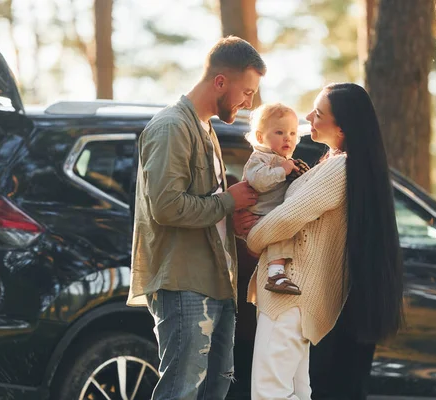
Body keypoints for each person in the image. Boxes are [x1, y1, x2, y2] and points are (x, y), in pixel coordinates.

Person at [242, 83, 404, 399]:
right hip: (297, 295)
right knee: (297, 390)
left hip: (290, 294)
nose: (307, 117)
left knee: (269, 390)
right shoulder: (334, 162)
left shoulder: (342, 167)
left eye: (318, 113)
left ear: (342, 127)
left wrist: (253, 239)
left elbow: (289, 217)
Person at [127, 36, 266, 400]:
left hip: (216, 282)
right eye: (246, 92)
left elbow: (203, 204)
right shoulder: (172, 126)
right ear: (220, 81)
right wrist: (226, 203)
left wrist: (230, 221)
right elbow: (167, 206)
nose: (249, 102)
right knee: (181, 391)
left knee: (214, 389)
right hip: (184, 283)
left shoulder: (206, 128)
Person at [242, 103, 309, 295]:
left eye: (293, 133)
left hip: (271, 215)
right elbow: (258, 182)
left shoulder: (286, 161)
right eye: (279, 132)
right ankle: (276, 274)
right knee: (281, 231)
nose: (288, 137)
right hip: (259, 216)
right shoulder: (260, 158)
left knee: (285, 230)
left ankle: (281, 272)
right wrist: (282, 171)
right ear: (260, 137)